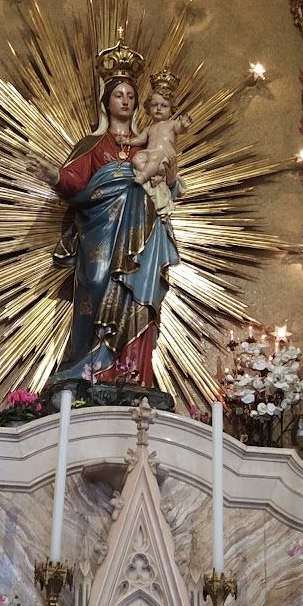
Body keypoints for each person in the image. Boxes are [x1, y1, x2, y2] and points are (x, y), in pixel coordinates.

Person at [31, 62, 179, 394]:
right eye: (118, 95)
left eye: (130, 96)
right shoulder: (94, 144)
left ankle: (131, 374)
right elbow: (74, 181)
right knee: (96, 281)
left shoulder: (149, 143)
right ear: (107, 102)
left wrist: (168, 165)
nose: (125, 101)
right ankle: (88, 368)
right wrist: (52, 175)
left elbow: (171, 185)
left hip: (144, 231)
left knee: (138, 296)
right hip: (100, 230)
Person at [126, 80, 190, 218]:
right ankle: (156, 177)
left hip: (164, 157)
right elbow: (140, 140)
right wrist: (127, 141)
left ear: (171, 109)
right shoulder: (149, 129)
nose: (158, 108)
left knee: (155, 158)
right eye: (154, 105)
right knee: (137, 159)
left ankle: (144, 177)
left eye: (164, 105)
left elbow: (180, 129)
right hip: (151, 156)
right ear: (148, 109)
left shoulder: (172, 124)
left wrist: (184, 125)